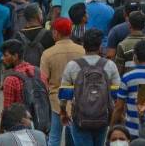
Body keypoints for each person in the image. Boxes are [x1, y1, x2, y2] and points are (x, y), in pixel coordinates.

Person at [59, 29, 120, 146]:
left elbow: (64, 94)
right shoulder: (109, 65)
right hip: (102, 117)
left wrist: (63, 112)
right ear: (100, 46)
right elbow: (117, 95)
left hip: (80, 118)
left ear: (83, 45)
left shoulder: (73, 65)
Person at [40, 17, 83, 146]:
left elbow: (43, 80)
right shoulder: (82, 50)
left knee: (54, 137)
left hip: (56, 100)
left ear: (56, 33)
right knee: (72, 135)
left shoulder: (48, 53)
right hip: (77, 99)